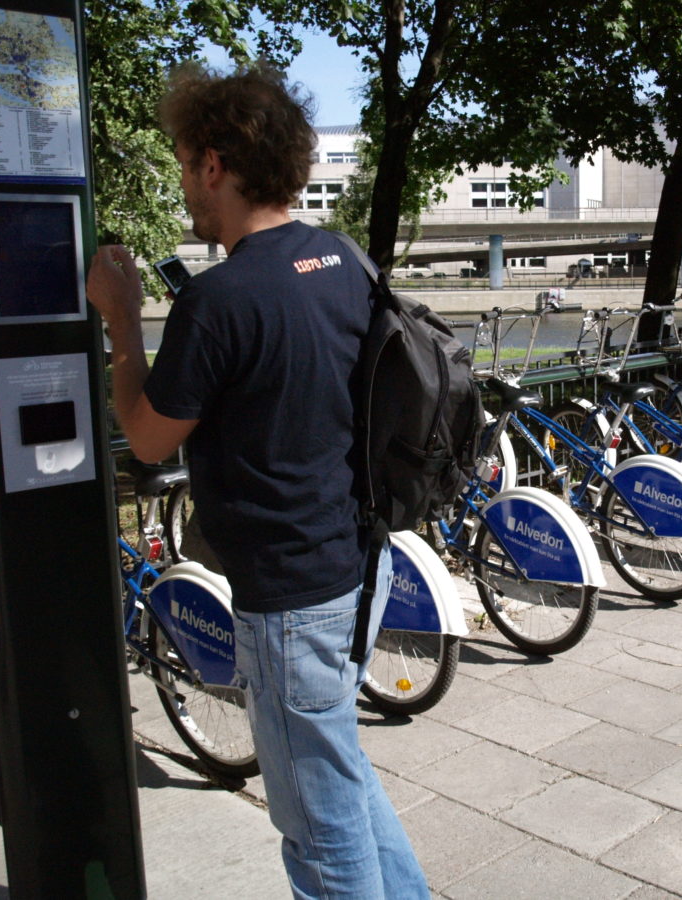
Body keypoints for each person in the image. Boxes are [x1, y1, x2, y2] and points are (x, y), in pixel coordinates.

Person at [86, 62, 429, 900]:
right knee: (337, 777)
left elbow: (146, 434)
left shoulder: (221, 299)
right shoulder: (343, 261)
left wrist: (124, 323)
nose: (183, 188)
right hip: (360, 563)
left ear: (216, 163)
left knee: (317, 832)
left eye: (182, 165)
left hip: (291, 600)